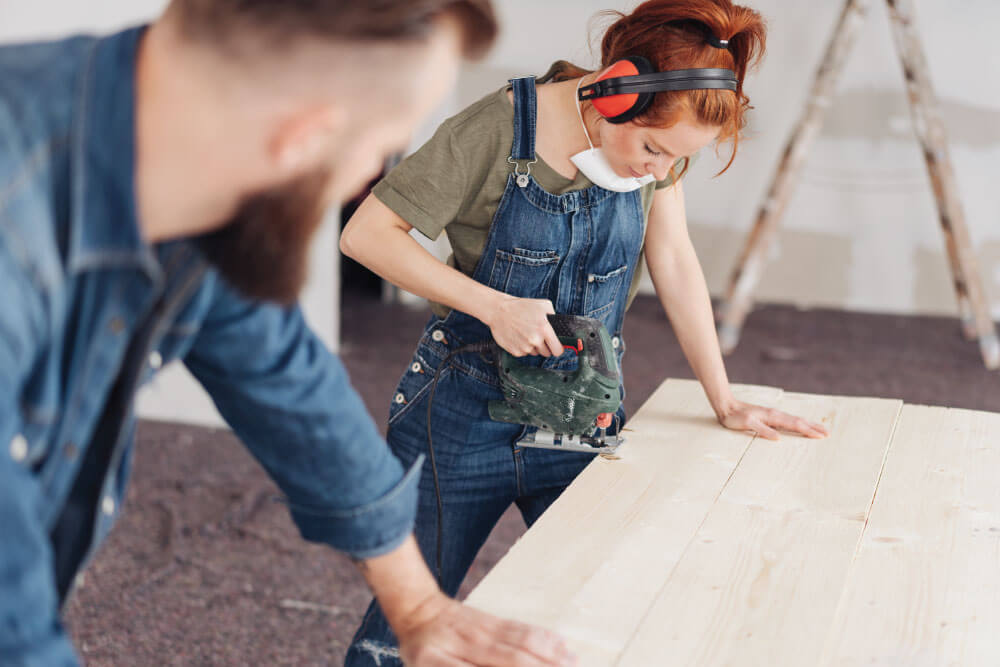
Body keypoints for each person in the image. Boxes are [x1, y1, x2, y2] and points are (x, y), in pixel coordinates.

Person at [0, 1, 577, 665]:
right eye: (379, 147)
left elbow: (290, 383)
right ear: (301, 139)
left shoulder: (177, 146)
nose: (366, 178)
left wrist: (419, 607)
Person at [340, 0, 832, 662]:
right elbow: (365, 234)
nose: (657, 172)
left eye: (674, 161)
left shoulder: (661, 154)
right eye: (653, 148)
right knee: (401, 632)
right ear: (615, 93)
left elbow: (677, 261)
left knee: (602, 621)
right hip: (460, 416)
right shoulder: (496, 128)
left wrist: (725, 395)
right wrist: (493, 305)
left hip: (584, 415)